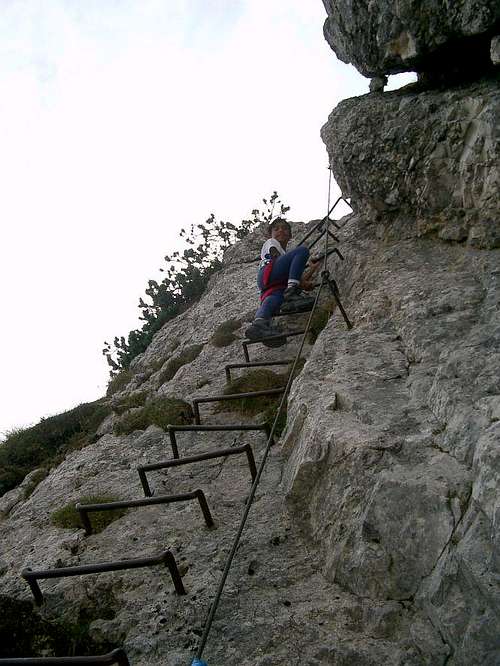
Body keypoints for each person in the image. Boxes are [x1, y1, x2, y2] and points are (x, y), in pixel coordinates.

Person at [245, 219, 321, 344]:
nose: (281, 230)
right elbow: (275, 254)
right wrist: (298, 265)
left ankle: (259, 324)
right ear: (270, 235)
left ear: (290, 235)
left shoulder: (285, 256)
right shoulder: (271, 242)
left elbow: (298, 280)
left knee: (271, 300)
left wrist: (312, 270)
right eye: (276, 229)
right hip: (269, 271)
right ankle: (290, 295)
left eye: (285, 229)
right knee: (302, 251)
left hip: (273, 285)